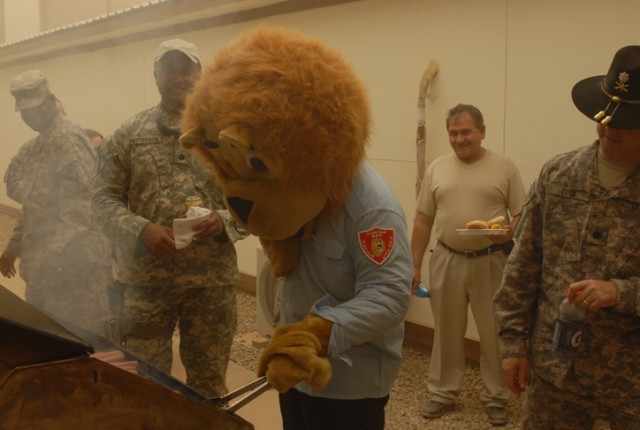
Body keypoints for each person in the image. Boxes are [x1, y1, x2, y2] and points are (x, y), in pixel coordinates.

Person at [179, 26, 412, 429]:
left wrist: (318, 334)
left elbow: (390, 295)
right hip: (294, 373)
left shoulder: (371, 211)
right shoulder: (291, 187)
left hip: (349, 382)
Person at [493, 45, 640, 429]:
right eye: (604, 117)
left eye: (623, 123)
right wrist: (512, 344)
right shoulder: (559, 174)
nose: (607, 128)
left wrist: (622, 293)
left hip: (628, 387)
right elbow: (523, 265)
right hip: (555, 375)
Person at [92, 39, 247, 398]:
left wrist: (224, 220)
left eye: (186, 69)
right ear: (156, 77)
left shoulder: (229, 133)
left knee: (209, 385)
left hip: (210, 283)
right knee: (146, 380)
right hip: (148, 282)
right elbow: (100, 198)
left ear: (200, 73)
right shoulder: (129, 135)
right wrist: (141, 229)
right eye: (169, 70)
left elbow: (261, 198)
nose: (178, 78)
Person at [411, 103, 525, 426]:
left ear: (482, 131)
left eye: (466, 132)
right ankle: (443, 392)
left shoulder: (504, 167)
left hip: (491, 261)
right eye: (453, 133)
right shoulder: (437, 168)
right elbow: (422, 221)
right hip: (446, 258)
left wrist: (509, 232)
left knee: (493, 331)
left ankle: (496, 397)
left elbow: (522, 213)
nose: (460, 139)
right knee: (446, 330)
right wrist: (414, 264)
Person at [0, 69, 111, 337]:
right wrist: (14, 248)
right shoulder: (38, 144)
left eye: (36, 108)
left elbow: (80, 214)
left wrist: (47, 261)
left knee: (78, 345)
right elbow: (33, 204)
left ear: (52, 101)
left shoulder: (69, 141)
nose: (31, 117)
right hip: (46, 273)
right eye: (25, 112)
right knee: (46, 343)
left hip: (72, 274)